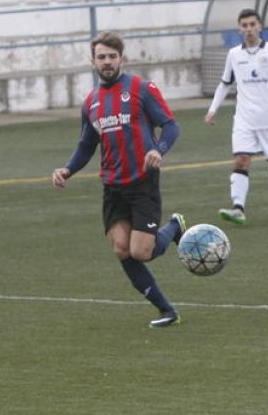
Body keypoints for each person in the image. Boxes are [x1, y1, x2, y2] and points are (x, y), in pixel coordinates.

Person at [51, 31, 185, 328]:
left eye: (112, 56)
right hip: (112, 187)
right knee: (122, 249)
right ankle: (167, 311)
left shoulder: (141, 89)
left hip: (142, 183)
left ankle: (174, 227)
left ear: (121, 58)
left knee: (141, 251)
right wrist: (67, 170)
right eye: (102, 57)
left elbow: (171, 126)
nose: (107, 62)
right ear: (93, 61)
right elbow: (87, 145)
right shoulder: (91, 103)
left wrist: (159, 149)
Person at [206, 9, 268, 225]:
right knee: (241, 160)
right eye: (244, 25)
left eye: (252, 24)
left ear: (259, 26)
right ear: (239, 28)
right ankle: (238, 208)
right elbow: (225, 84)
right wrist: (212, 109)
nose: (248, 29)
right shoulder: (234, 54)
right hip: (244, 119)